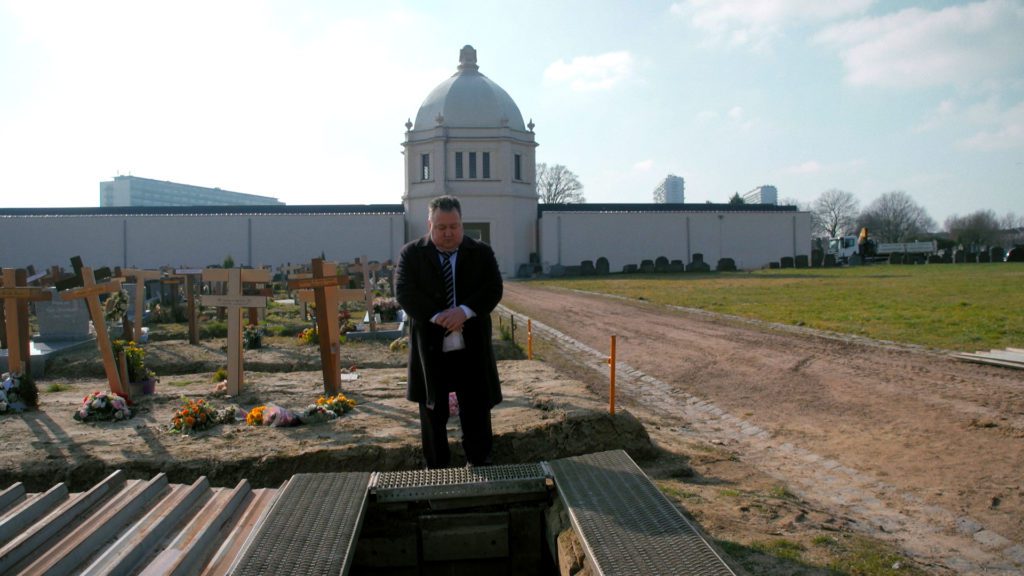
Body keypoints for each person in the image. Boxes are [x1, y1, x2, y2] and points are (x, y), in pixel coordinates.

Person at [396, 195, 503, 468]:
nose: (448, 233)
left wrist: (464, 311)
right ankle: (437, 467)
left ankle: (479, 461)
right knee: (433, 412)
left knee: (476, 407)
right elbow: (405, 293)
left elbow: (493, 289)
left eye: (454, 226)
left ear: (461, 223)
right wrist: (440, 317)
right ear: (429, 224)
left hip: (471, 347)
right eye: (441, 227)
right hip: (431, 349)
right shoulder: (412, 254)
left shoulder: (481, 252)